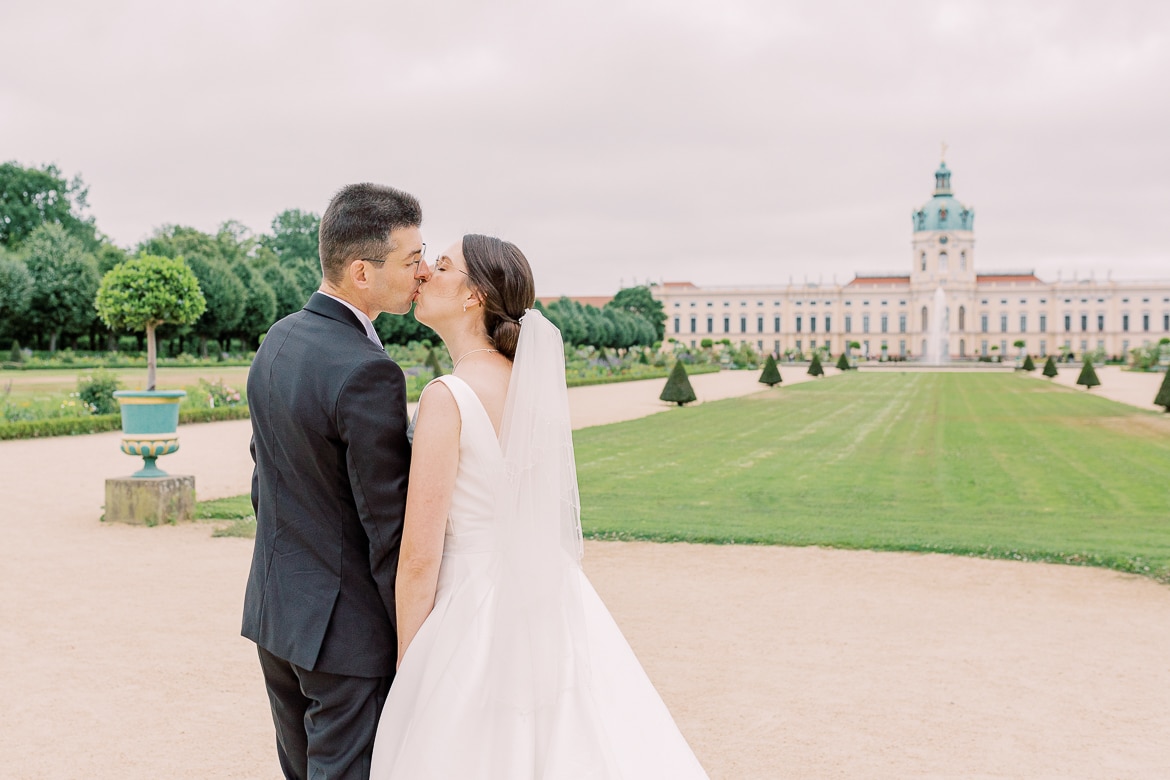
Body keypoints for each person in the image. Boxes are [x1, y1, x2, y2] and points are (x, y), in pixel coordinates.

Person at [369, 234, 708, 778]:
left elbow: (418, 561)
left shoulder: (446, 396)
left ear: (474, 295)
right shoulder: (528, 391)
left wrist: (411, 667)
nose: (425, 273)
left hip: (467, 608)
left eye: (442, 265)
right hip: (544, 599)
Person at [243, 183, 424, 779]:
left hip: (278, 614)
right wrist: (415, 637)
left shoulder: (278, 339)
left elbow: (262, 478)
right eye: (410, 259)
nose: (421, 272)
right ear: (361, 272)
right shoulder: (368, 370)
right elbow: (387, 528)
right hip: (346, 636)